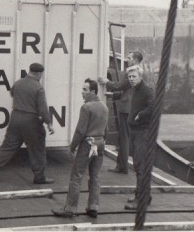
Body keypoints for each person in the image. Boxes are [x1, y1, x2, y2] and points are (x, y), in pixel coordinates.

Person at [0, 62, 56, 184]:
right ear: (38, 73)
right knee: (37, 149)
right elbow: (43, 109)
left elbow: (12, 93)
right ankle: (39, 177)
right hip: (31, 120)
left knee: (7, 147)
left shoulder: (18, 83)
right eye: (41, 74)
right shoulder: (38, 88)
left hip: (15, 117)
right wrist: (49, 123)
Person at [52, 78, 110, 218]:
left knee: (76, 177)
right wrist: (101, 142)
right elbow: (106, 129)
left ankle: (70, 208)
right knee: (95, 176)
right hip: (100, 143)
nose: (82, 92)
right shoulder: (104, 107)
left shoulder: (86, 107)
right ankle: (93, 207)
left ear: (93, 91)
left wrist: (72, 147)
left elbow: (80, 130)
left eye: (85, 90)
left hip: (87, 144)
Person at [98, 51, 144, 174]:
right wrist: (113, 95)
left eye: (129, 58)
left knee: (123, 138)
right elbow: (128, 92)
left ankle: (122, 167)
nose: (127, 59)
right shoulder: (140, 72)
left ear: (135, 59)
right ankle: (125, 165)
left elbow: (118, 86)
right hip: (133, 108)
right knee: (128, 137)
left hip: (126, 110)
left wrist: (105, 82)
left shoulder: (131, 72)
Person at [124, 64, 154, 211]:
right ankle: (144, 196)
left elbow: (154, 106)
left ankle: (140, 199)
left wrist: (140, 115)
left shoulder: (146, 91)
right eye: (129, 77)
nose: (131, 79)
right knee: (138, 165)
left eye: (134, 76)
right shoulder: (135, 90)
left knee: (140, 166)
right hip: (136, 131)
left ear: (140, 77)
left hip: (143, 132)